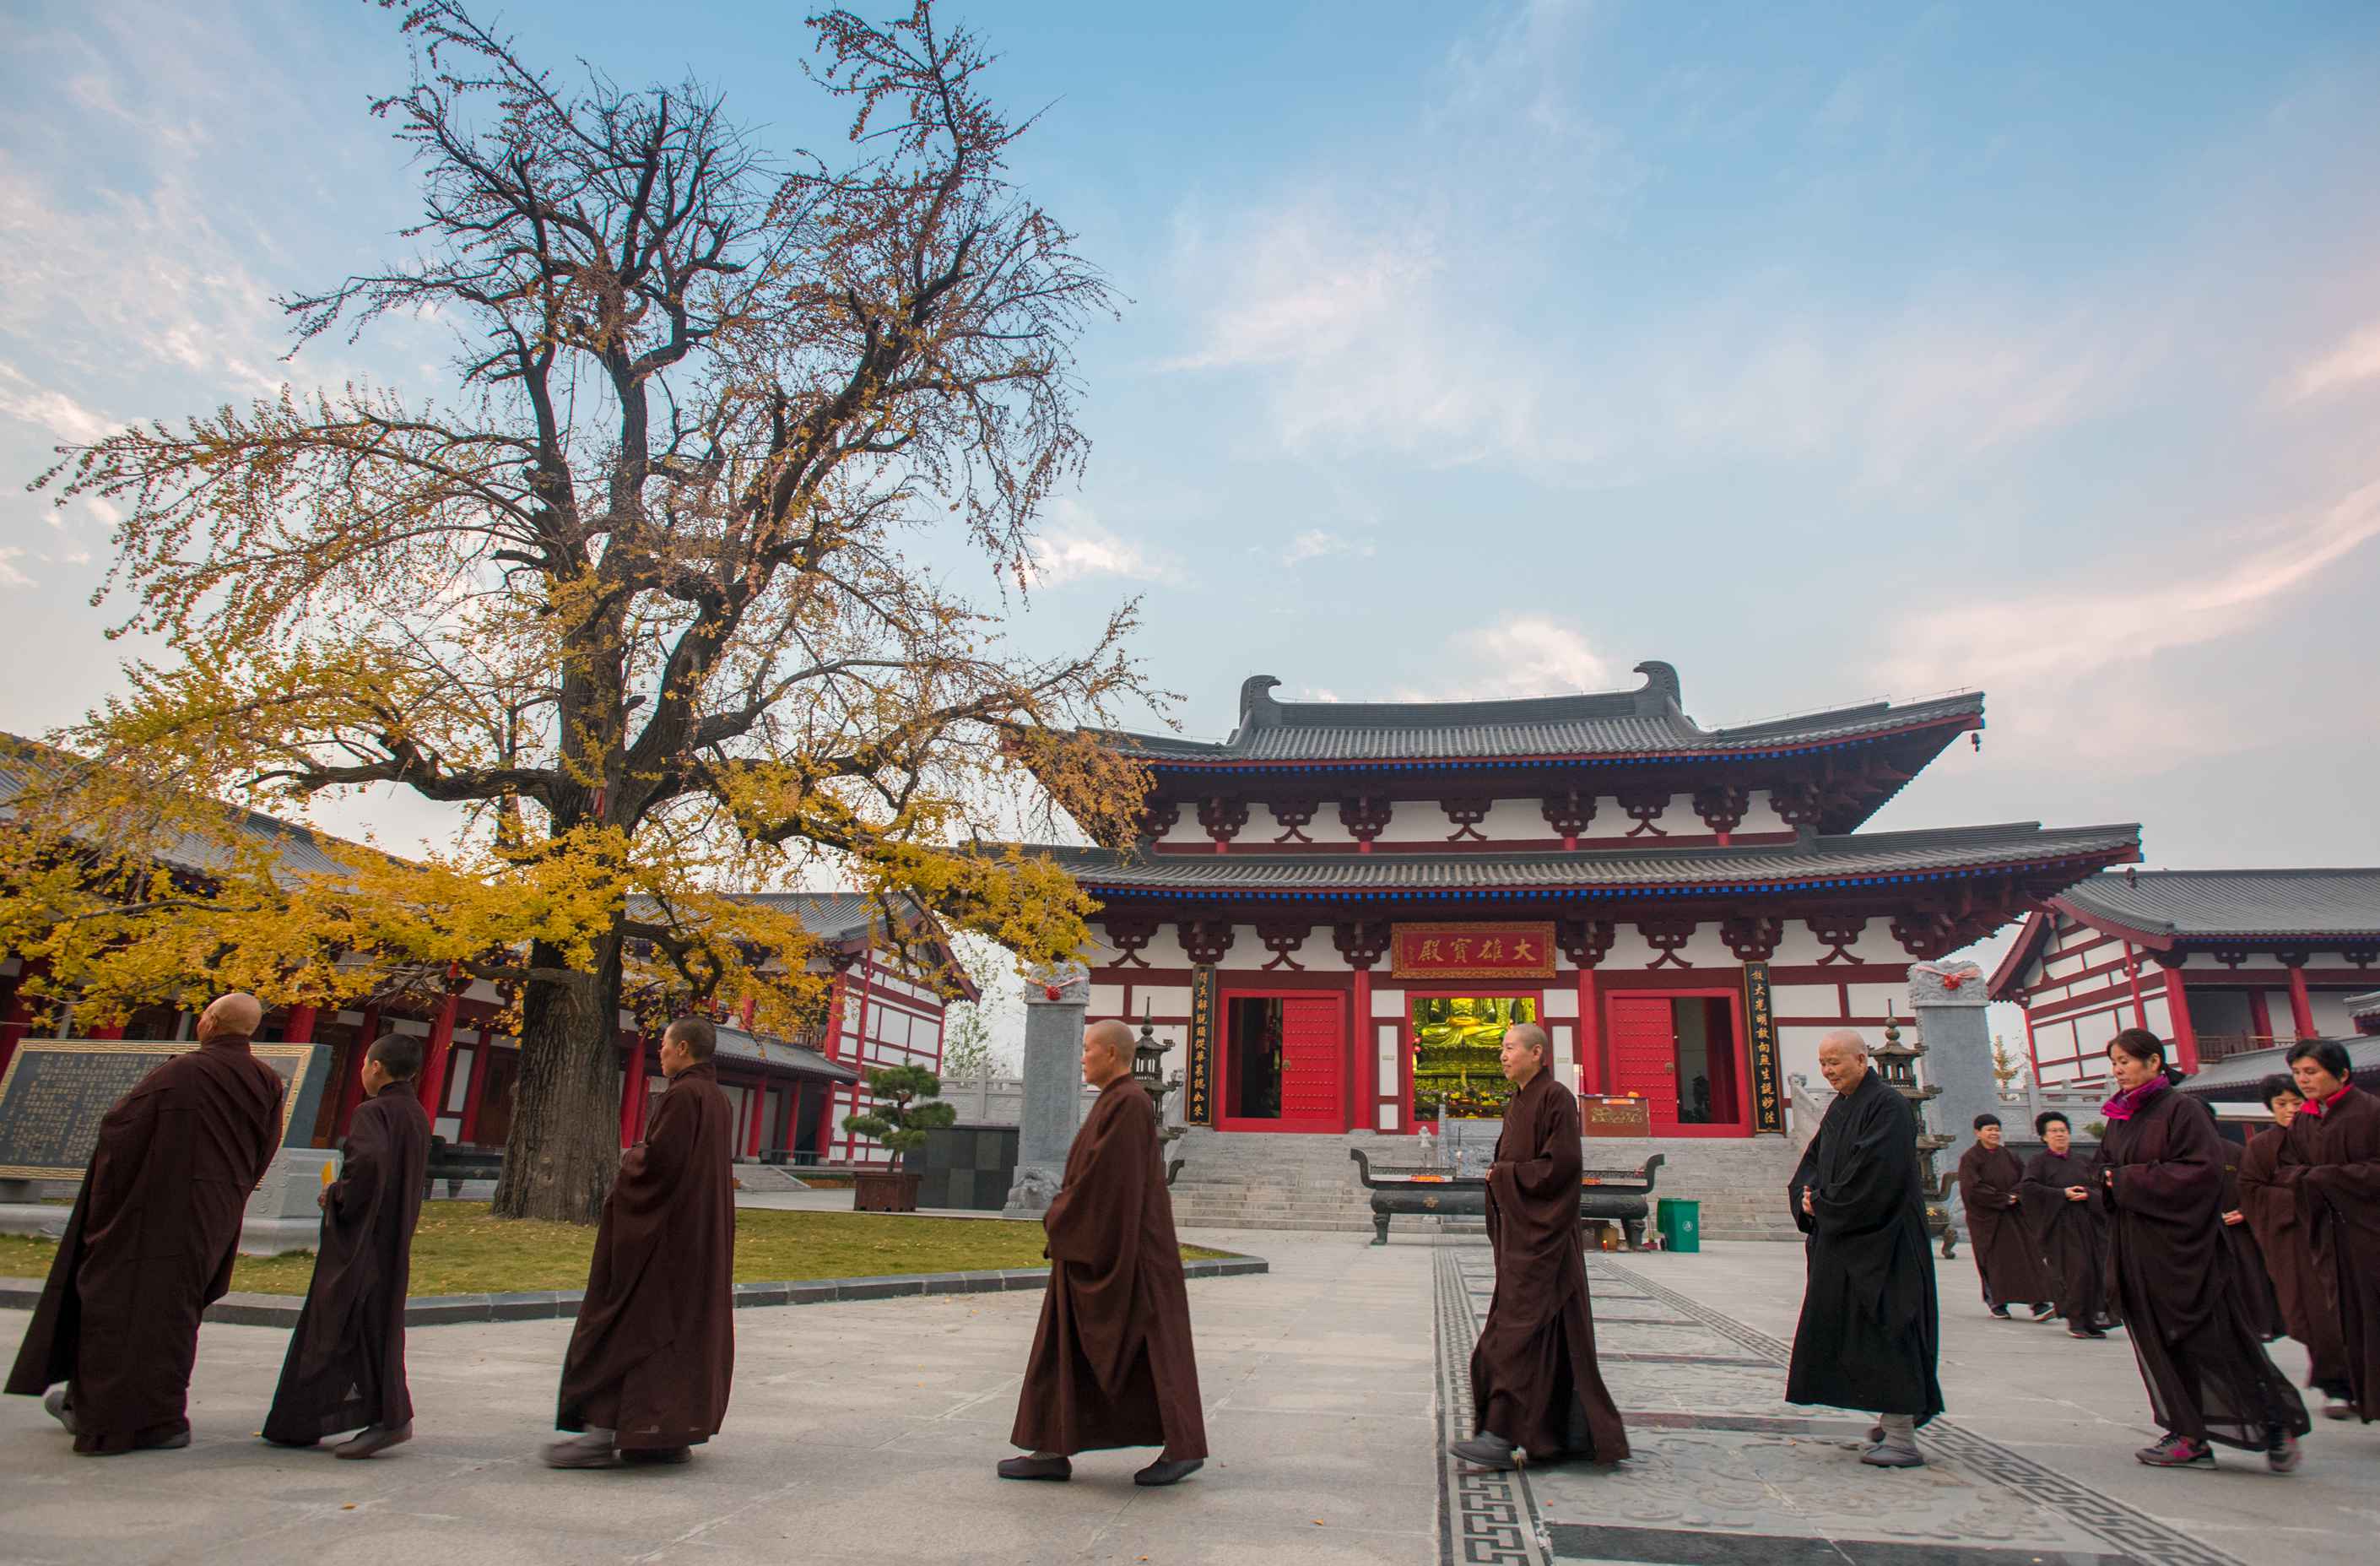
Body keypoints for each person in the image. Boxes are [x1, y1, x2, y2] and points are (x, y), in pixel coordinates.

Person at [5, 993, 287, 1455]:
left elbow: (120, 1127)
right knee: (175, 1315)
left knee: (117, 1303)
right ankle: (164, 1418)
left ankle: (106, 1416)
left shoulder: (181, 1073)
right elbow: (264, 1149)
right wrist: (228, 1193)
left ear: (211, 1022)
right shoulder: (267, 1081)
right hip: (214, 1215)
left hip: (156, 1214)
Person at [1002, 1019, 1208, 1487]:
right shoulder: (1115, 1101)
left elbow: (1107, 1183)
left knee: (1152, 1346)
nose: (1082, 1057)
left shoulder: (1130, 1104)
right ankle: (1051, 1447)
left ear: (1112, 1054)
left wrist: (1060, 1216)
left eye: (1088, 1048)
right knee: (1066, 1347)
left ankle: (1183, 1447)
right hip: (1096, 1244)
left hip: (1130, 1251)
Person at [2097, 1028, 2307, 1471]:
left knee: (2215, 1339)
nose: (2118, 1069)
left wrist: (2129, 1180)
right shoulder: (2121, 1116)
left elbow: (2203, 1173)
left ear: (2155, 1063)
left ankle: (2275, 1421)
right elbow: (2104, 1167)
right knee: (2158, 1343)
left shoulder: (2183, 1110)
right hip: (2138, 1248)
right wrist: (2106, 1182)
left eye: (2126, 1061)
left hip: (2185, 1250)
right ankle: (2188, 1434)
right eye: (2114, 1061)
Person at [544, 1015, 735, 1469]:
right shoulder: (718, 1099)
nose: (660, 1053)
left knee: (634, 1324)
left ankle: (606, 1430)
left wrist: (628, 1158)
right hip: (698, 1237)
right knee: (680, 1332)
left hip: (664, 1239)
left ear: (684, 1048)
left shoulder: (684, 1096)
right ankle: (668, 1434)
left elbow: (658, 1169)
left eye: (665, 1045)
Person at [1447, 1023, 1630, 1471]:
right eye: (1502, 1048)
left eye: (1509, 1048)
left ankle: (1501, 1434)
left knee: (1512, 1336)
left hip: (1545, 1240)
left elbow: (1562, 1166)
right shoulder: (1520, 1099)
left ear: (1536, 1052)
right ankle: (1565, 1433)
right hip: (1525, 1237)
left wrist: (1504, 1176)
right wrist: (1505, 1177)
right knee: (1549, 1338)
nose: (1502, 1056)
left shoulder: (1556, 1098)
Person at [262, 1031, 431, 1457]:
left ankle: (388, 1419)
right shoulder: (413, 1113)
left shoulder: (372, 1113)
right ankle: (308, 1420)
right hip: (393, 1235)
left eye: (364, 1063)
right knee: (373, 1323)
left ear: (375, 1066)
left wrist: (337, 1192)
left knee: (344, 1321)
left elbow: (369, 1166)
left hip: (364, 1240)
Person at [1786, 1030, 1942, 1468]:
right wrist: (1806, 1193)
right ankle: (1891, 1417)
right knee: (1852, 1333)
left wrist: (1823, 1201)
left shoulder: (1888, 1106)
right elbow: (1813, 1163)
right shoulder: (1840, 1108)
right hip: (1846, 1241)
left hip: (1884, 1243)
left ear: (1861, 1058)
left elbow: (1876, 1173)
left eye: (1835, 1061)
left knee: (1891, 1327)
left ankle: (1901, 1435)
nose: (1828, 1071)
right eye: (1822, 1064)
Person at [2245, 1074, 2355, 1418]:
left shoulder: (2327, 1137)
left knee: (2352, 1312)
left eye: (2296, 1102)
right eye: (2281, 1104)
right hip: (2294, 1244)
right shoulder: (2261, 1147)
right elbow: (2251, 1192)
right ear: (2270, 1109)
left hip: (2338, 1238)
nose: (2290, 1110)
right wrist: (2301, 1194)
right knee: (2313, 1316)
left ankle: (2357, 1385)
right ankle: (2335, 1384)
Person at [2287, 1038, 2380, 1423]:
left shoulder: (2370, 1113)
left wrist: (2326, 1178)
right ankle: (2363, 1397)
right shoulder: (2306, 1120)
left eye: (2311, 1072)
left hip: (2370, 1234)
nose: (2303, 1080)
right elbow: (2289, 1168)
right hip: (2331, 1237)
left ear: (2341, 1073)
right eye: (2297, 1073)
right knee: (2350, 1320)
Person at [2019, 1112, 2117, 1339]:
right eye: (2053, 1131)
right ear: (2044, 1137)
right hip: (2061, 1226)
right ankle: (2076, 1321)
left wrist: (2088, 1196)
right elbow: (2029, 1189)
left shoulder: (2083, 1161)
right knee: (2076, 1271)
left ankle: (2092, 1320)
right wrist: (2062, 1193)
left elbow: (2102, 1189)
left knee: (2096, 1271)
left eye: (2063, 1130)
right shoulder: (2038, 1163)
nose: (2059, 1135)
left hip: (2089, 1224)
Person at [1958, 1114, 2054, 1321]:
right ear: (1978, 1132)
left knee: (2028, 1258)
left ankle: (2038, 1302)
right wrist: (2001, 1198)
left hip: (2014, 1215)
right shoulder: (1970, 1158)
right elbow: (1972, 1188)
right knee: (1994, 1261)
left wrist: (2015, 1196)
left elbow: (2025, 1179)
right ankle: (1997, 1303)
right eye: (1989, 1130)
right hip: (1988, 1220)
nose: (1994, 1133)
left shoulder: (2010, 1155)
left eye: (1996, 1129)